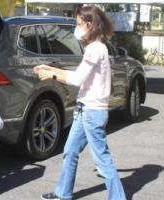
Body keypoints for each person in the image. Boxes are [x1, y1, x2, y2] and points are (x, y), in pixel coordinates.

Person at [34, 5, 126, 200]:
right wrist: (50, 69)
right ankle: (63, 193)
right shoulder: (95, 48)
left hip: (92, 112)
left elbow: (77, 79)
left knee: (102, 159)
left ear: (90, 24)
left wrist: (50, 74)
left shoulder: (95, 49)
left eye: (78, 24)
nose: (76, 28)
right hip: (85, 110)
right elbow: (78, 75)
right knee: (70, 150)